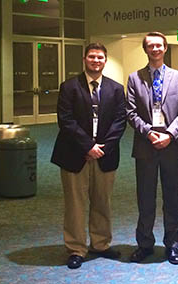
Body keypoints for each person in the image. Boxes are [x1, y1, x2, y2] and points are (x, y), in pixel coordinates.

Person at [50, 43, 127, 269]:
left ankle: (101, 244)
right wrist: (88, 146)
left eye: (100, 57)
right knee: (75, 203)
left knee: (102, 201)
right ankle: (76, 248)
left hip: (105, 155)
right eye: (92, 57)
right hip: (75, 154)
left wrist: (102, 147)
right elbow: (66, 120)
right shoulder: (69, 87)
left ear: (105, 61)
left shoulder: (115, 89)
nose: (96, 61)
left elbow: (120, 121)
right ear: (84, 59)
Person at [126, 32, 178, 264]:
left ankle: (172, 245)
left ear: (165, 48)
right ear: (146, 50)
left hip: (171, 146)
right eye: (150, 46)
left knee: (173, 196)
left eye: (159, 46)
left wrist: (170, 135)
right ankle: (144, 244)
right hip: (146, 145)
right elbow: (130, 112)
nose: (155, 49)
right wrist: (148, 132)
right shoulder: (134, 78)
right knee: (145, 197)